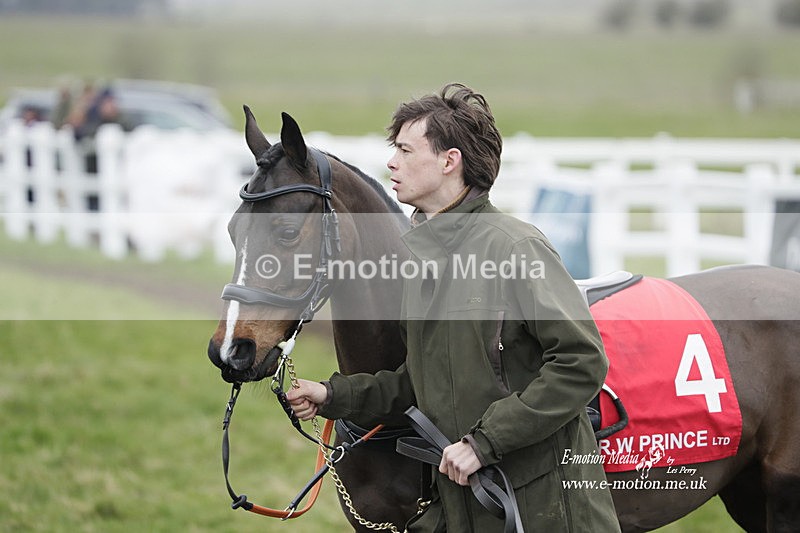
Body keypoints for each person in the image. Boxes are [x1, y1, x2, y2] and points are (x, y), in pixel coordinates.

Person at [287, 83, 620, 532]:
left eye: (405, 150)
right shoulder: (421, 261)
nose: (392, 162)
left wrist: (484, 443)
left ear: (449, 161)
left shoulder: (516, 247)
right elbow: (420, 383)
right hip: (463, 506)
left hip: (544, 507)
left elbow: (581, 363)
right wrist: (334, 395)